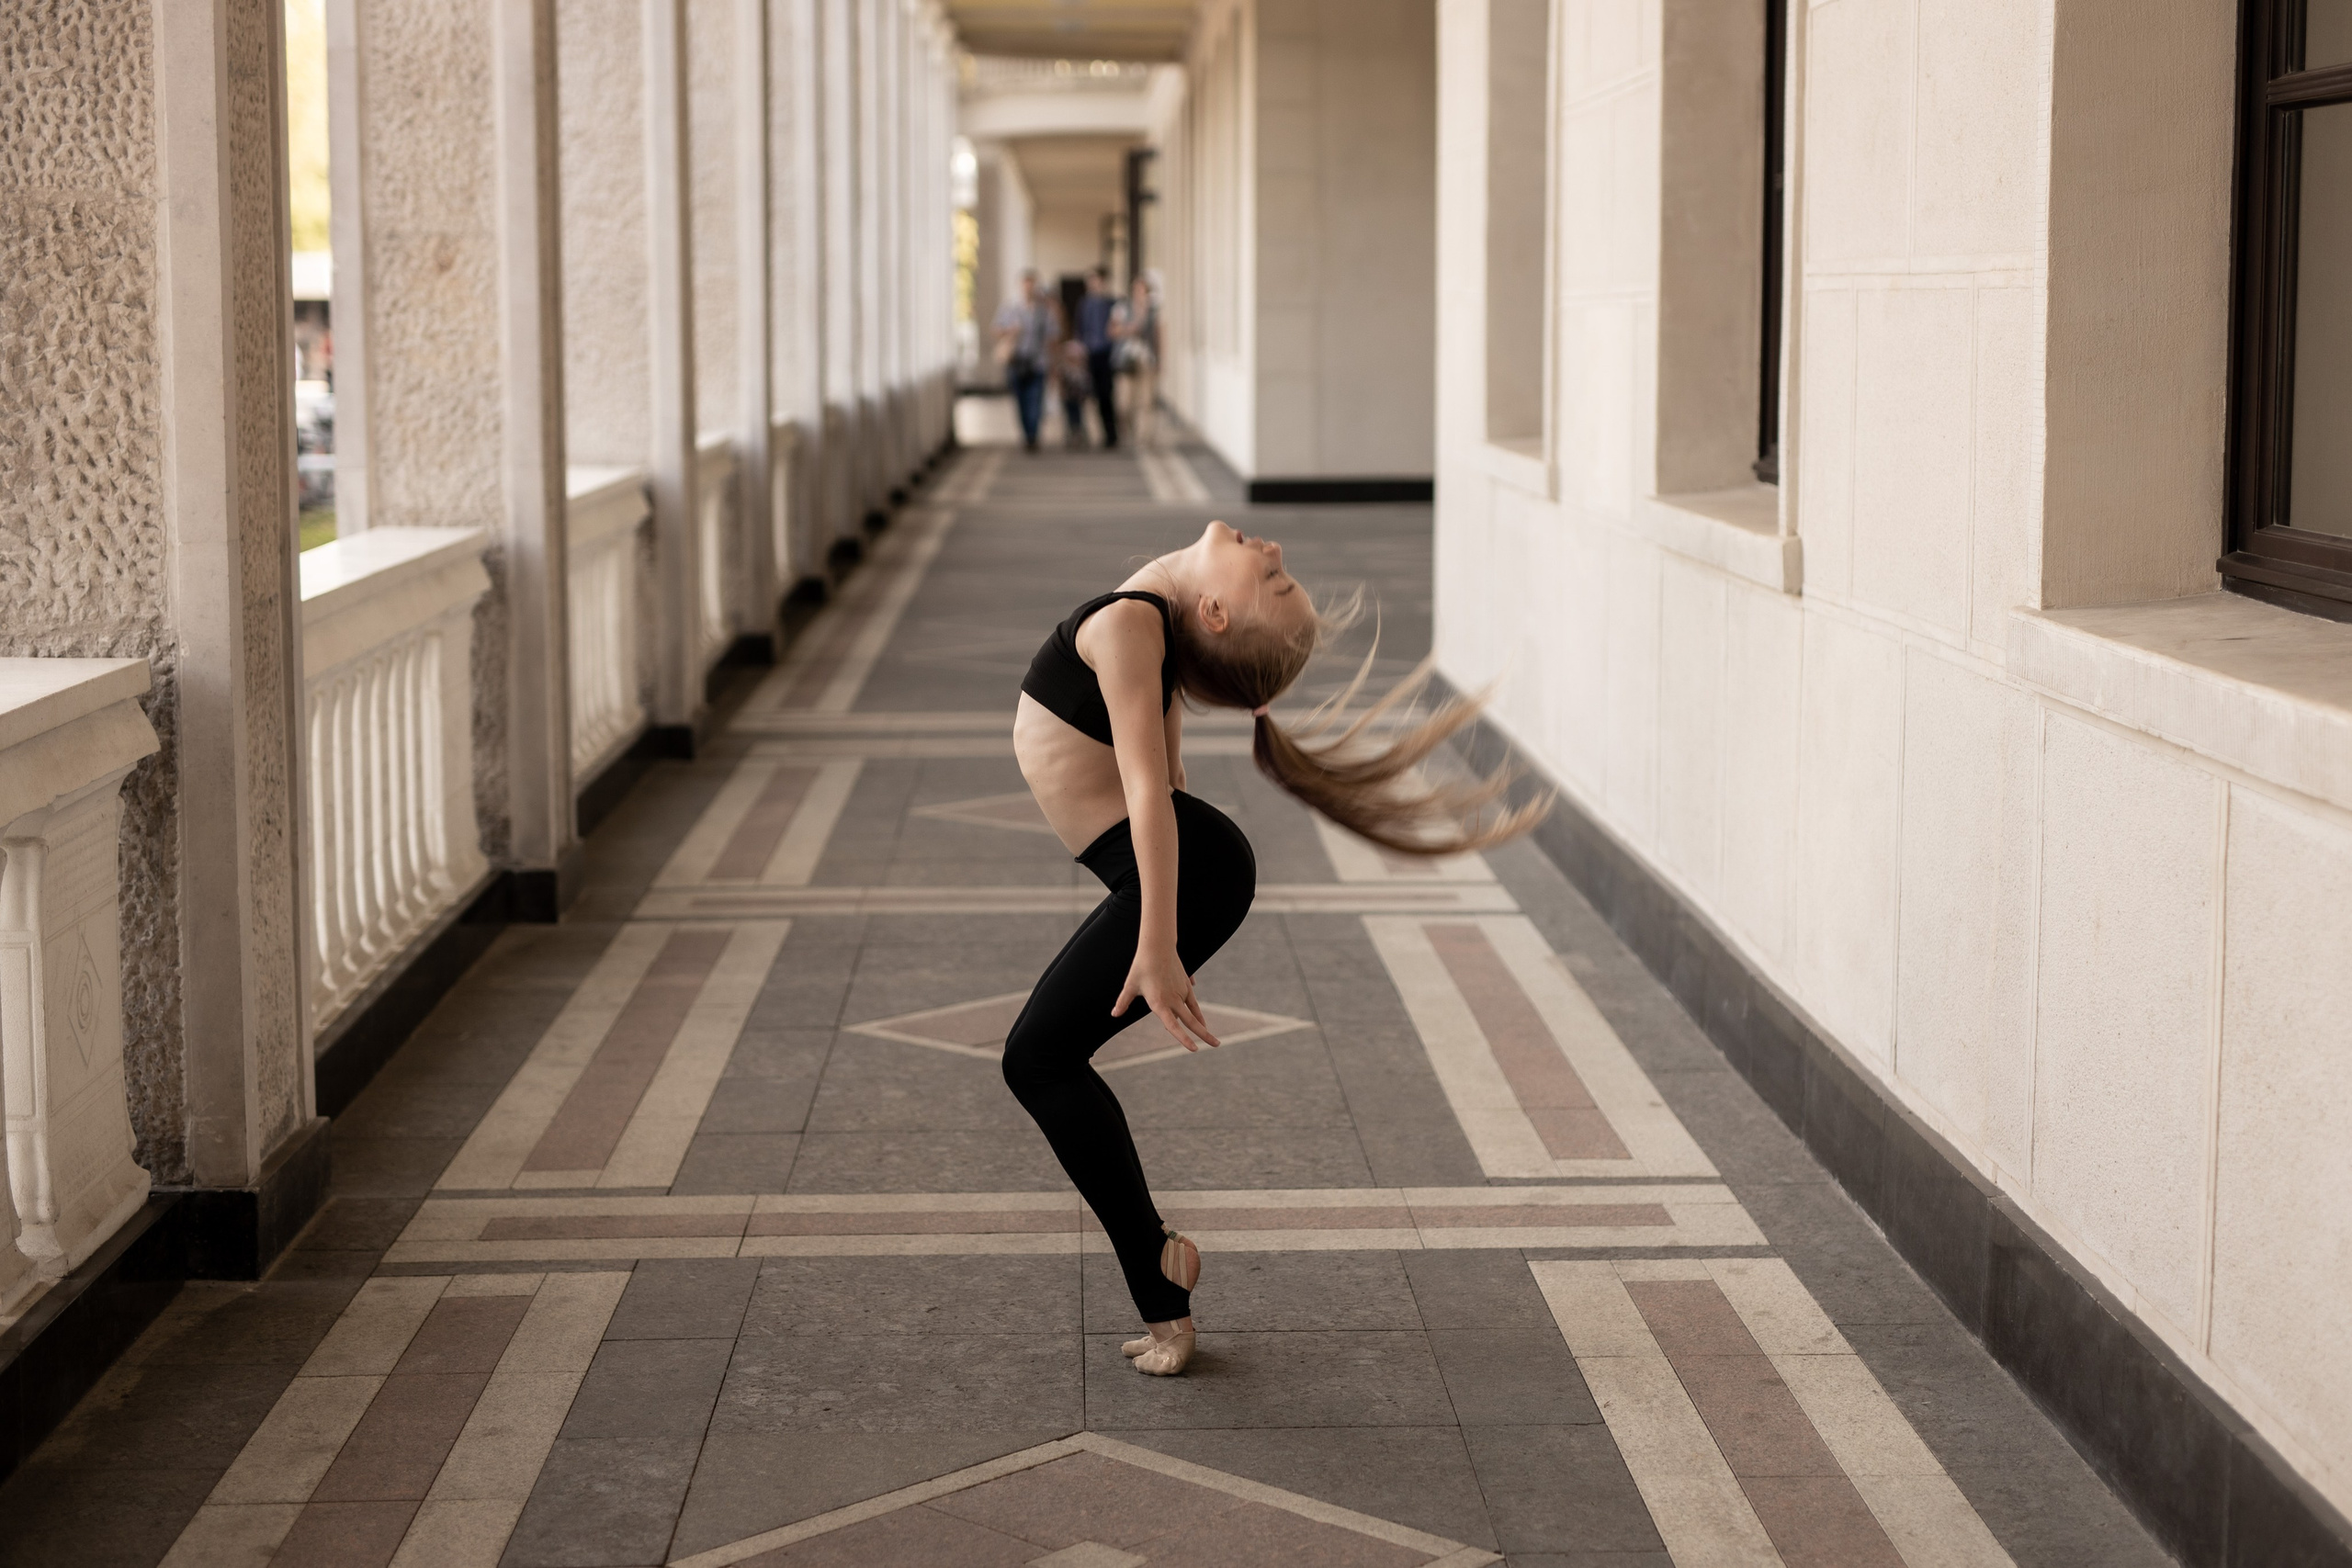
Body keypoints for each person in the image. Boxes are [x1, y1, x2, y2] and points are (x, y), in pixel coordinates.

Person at [1006, 521, 1544, 1376]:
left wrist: (1156, 939)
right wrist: (1156, 915)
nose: (1279, 555)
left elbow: (1151, 795)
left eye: (1275, 583)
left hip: (1188, 872)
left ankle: (1160, 1284)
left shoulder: (1125, 628)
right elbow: (1171, 779)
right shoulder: (1150, 626)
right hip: (1188, 868)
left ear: (1214, 610)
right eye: (1284, 579)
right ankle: (1159, 1275)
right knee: (1042, 1060)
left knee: (1036, 1061)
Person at [993, 271, 1052, 451]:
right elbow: (995, 330)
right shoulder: (1009, 308)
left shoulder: (1043, 311)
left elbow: (1052, 335)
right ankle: (1027, 434)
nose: (1028, 288)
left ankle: (1033, 436)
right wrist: (1011, 330)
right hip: (1016, 361)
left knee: (1035, 400)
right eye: (1025, 284)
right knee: (1021, 401)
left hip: (1037, 362)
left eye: (1032, 284)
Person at [1112, 273, 1160, 447]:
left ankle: (1144, 437)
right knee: (1123, 403)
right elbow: (1112, 330)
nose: (1140, 293)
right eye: (1138, 289)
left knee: (1146, 401)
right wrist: (1128, 330)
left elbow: (1159, 334)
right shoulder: (1122, 307)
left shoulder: (1153, 311)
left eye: (1144, 290)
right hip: (1125, 359)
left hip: (1146, 359)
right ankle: (1130, 431)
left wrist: (1160, 360)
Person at [1077, 267, 1121, 449]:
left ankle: (1111, 434)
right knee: (1090, 397)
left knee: (1106, 395)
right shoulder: (1085, 304)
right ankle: (1093, 434)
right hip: (1091, 354)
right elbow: (1080, 329)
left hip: (1107, 354)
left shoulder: (1112, 303)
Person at [1056, 334, 1093, 448]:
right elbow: (1061, 383)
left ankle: (1081, 436)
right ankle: (1072, 437)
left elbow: (1087, 385)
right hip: (1068, 398)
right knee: (1070, 418)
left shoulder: (1082, 372)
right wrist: (1061, 393)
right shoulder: (1065, 370)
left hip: (1079, 399)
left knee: (1080, 418)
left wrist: (1087, 396)